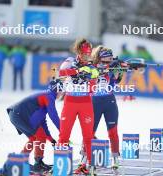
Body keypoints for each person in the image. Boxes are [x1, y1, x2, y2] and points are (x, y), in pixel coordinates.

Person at [58, 38, 99, 174]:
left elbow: (94, 85)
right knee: (64, 136)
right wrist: (76, 73)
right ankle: (61, 167)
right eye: (84, 54)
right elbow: (61, 74)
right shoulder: (70, 62)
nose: (86, 56)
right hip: (70, 103)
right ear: (79, 52)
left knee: (88, 136)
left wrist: (88, 76)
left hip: (85, 104)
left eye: (88, 54)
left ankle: (89, 166)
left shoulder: (92, 67)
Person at [6, 79, 61, 172]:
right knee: (40, 136)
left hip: (16, 114)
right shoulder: (49, 96)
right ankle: (38, 163)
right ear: (58, 89)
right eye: (63, 91)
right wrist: (63, 131)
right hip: (19, 114)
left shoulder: (46, 96)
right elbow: (53, 115)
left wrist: (51, 140)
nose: (63, 94)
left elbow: (43, 123)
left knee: (34, 137)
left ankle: (21, 160)